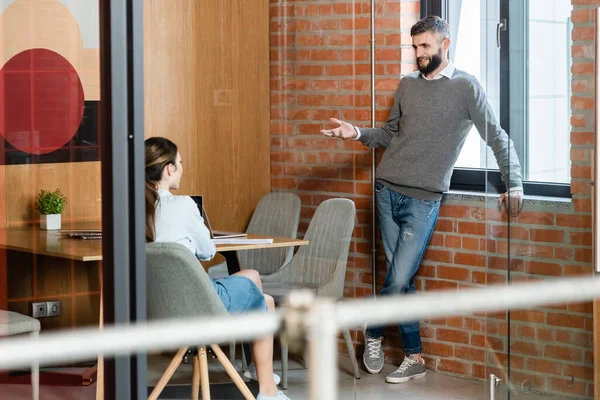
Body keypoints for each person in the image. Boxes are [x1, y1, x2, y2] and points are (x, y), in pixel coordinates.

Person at [321, 16, 524, 384]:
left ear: (445, 45)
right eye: (414, 47)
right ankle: (414, 356)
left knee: (399, 275)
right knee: (404, 278)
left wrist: (515, 183)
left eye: (425, 47)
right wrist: (355, 133)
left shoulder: (466, 88)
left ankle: (373, 327)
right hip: (386, 191)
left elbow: (496, 136)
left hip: (423, 200)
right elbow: (388, 133)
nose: (418, 54)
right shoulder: (407, 85)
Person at [144, 136, 290, 400]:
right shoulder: (183, 205)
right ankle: (268, 389)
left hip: (159, 310)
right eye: (180, 163)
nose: (182, 168)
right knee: (265, 302)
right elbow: (208, 251)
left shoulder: (132, 211)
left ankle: (260, 372)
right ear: (169, 169)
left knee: (252, 277)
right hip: (199, 307)